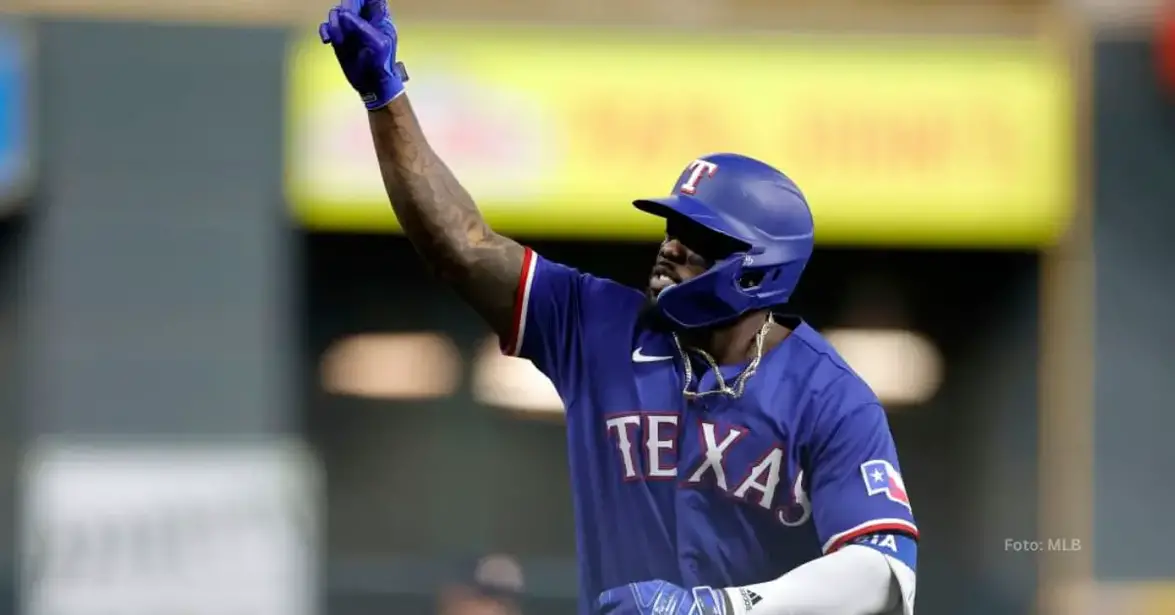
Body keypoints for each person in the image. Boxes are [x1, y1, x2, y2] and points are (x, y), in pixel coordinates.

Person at [318, 2, 919, 613]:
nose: (671, 246)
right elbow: (463, 247)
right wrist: (383, 98)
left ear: (759, 269)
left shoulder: (831, 397)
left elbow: (882, 573)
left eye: (699, 240)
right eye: (672, 228)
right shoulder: (597, 324)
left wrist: (719, 608)